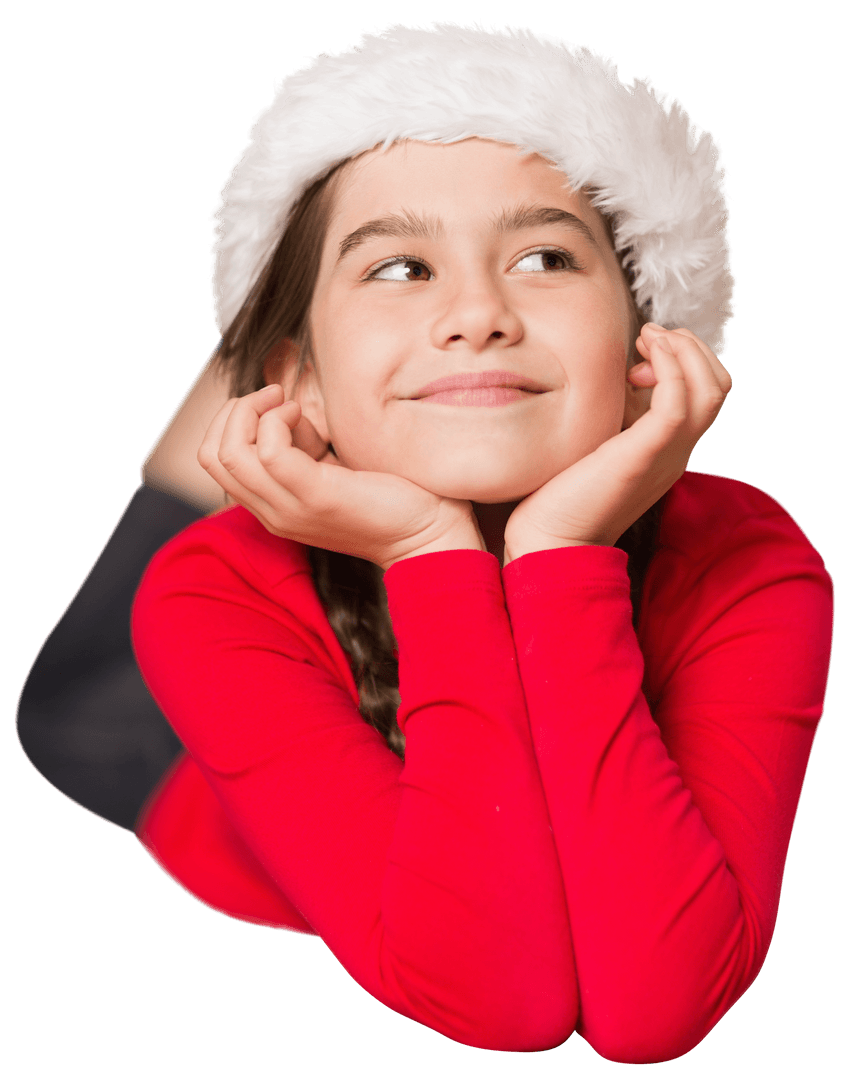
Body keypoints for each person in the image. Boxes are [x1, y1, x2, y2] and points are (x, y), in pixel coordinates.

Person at [126, 23, 833, 1062]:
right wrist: (430, 556)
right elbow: (498, 1005)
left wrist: (554, 559)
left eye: (545, 258)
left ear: (646, 346)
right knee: (66, 710)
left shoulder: (746, 556)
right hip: (153, 767)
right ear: (301, 377)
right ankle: (247, 397)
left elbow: (654, 1012)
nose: (476, 314)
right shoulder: (210, 589)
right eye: (399, 267)